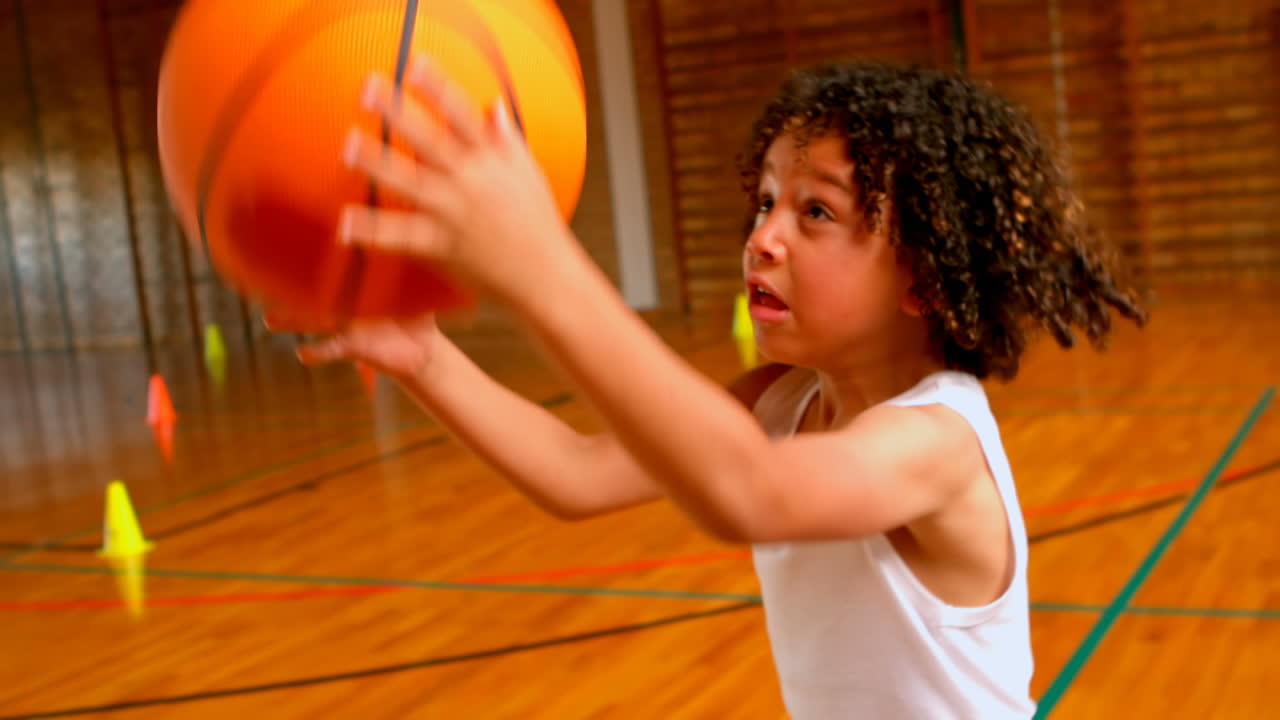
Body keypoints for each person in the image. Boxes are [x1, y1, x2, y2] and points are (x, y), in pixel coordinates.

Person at [271, 59, 1146, 718]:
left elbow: (752, 493)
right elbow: (575, 473)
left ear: (921, 278)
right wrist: (423, 357)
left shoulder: (937, 444)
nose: (763, 238)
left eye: (816, 212)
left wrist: (542, 268)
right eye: (764, 202)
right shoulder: (782, 399)